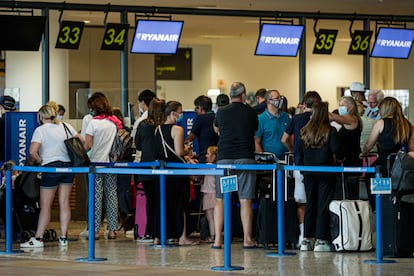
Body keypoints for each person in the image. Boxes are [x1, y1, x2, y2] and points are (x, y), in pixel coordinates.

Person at [20, 105, 82, 248]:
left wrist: (41, 161)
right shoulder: (66, 126)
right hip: (68, 168)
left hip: (50, 168)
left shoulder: (40, 130)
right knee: (64, 203)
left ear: (41, 117)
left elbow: (32, 151)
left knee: (45, 205)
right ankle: (63, 238)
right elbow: (82, 141)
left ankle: (39, 238)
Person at [212, 81, 258, 249]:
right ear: (244, 95)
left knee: (221, 199)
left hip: (225, 160)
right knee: (245, 199)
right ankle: (247, 239)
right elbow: (253, 132)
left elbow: (216, 130)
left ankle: (217, 240)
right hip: (245, 159)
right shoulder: (251, 112)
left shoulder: (221, 112)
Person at [298, 101, 342, 252]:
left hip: (308, 172)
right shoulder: (330, 131)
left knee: (311, 203)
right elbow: (337, 150)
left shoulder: (304, 130)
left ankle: (306, 239)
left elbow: (299, 153)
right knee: (323, 204)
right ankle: (321, 240)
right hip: (326, 171)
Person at [281, 90, 321, 246]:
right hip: (320, 165)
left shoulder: (296, 119)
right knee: (317, 200)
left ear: (304, 104)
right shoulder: (322, 119)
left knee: (301, 202)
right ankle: (318, 236)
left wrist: (292, 149)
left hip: (300, 163)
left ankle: (303, 237)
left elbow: (284, 139)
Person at [154, 100, 196, 246]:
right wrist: (187, 150)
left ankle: (159, 236)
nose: (181, 114)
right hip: (178, 171)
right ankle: (182, 237)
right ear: (173, 113)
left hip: (162, 170)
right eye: (180, 111)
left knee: (163, 203)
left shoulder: (157, 129)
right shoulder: (177, 130)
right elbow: (179, 151)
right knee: (181, 204)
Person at [362, 97, 414, 208]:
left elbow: (369, 144)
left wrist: (363, 152)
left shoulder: (381, 123)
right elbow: (411, 149)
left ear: (384, 109)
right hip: (401, 166)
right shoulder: (408, 125)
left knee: (370, 176)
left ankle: (377, 208)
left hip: (384, 164)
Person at [84, 92, 122, 240]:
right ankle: (112, 230)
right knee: (112, 196)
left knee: (96, 198)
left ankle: (95, 231)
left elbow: (88, 146)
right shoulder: (114, 123)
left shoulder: (93, 123)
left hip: (95, 164)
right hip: (111, 164)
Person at [135, 98, 165, 244]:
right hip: (162, 167)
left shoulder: (142, 125)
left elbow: (138, 145)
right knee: (162, 201)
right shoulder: (162, 127)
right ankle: (161, 232)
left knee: (150, 201)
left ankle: (150, 231)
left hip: (145, 167)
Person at [329, 96, 362, 200]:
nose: (340, 108)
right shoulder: (347, 121)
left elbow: (334, 117)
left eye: (343, 105)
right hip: (346, 162)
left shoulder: (352, 119)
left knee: (350, 195)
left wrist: (321, 111)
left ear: (351, 107)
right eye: (339, 105)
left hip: (350, 162)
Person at [255, 89, 290, 160]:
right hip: (269, 162)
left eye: (280, 98)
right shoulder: (261, 119)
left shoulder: (286, 116)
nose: (280, 100)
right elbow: (256, 141)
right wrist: (262, 159)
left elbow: (290, 137)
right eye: (277, 98)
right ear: (269, 101)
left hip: (286, 159)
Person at [184, 95, 218, 163]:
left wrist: (182, 144)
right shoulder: (216, 117)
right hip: (216, 155)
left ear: (200, 108)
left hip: (205, 156)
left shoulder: (200, 118)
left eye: (196, 108)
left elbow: (191, 138)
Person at [201, 145, 218, 243]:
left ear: (214, 156)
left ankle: (212, 236)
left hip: (208, 194)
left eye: (208, 154)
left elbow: (196, 173)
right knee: (217, 217)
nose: (206, 156)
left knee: (210, 217)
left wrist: (189, 161)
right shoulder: (218, 167)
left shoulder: (207, 166)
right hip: (217, 194)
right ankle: (217, 236)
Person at [0, 95, 17, 161]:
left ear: (1, 107)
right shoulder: (20, 122)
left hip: (2, 159)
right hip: (16, 159)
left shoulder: (1, 121)